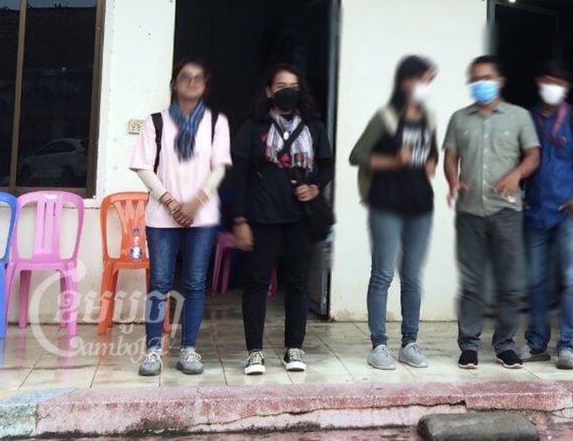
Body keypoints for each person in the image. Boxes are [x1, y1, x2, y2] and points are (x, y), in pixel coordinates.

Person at [231, 64, 334, 375]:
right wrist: (239, 219)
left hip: (299, 219)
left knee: (298, 283)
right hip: (262, 217)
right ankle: (255, 352)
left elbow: (327, 165)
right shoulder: (253, 126)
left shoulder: (314, 126)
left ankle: (294, 348)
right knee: (257, 284)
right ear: (268, 91)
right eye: (281, 85)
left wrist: (315, 186)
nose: (288, 90)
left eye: (293, 85)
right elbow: (238, 175)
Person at [130, 58, 231, 377]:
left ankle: (188, 348)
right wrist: (172, 203)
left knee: (195, 283)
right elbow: (144, 167)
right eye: (184, 77)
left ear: (205, 84)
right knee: (159, 283)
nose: (191, 82)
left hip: (202, 218)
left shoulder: (216, 123)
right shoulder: (155, 122)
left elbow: (219, 168)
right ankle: (153, 351)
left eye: (197, 78)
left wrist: (195, 203)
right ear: (174, 82)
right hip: (162, 216)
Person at [444, 55, 540, 370]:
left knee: (508, 284)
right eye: (475, 78)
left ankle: (505, 345)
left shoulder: (519, 117)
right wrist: (453, 180)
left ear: (499, 81)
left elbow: (533, 155)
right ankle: (469, 346)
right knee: (472, 283)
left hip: (506, 211)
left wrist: (516, 176)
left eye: (486, 77)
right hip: (470, 211)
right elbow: (451, 155)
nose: (480, 83)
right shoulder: (459, 118)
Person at [350, 56, 439, 370]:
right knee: (384, 274)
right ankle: (379, 345)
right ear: (406, 81)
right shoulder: (385, 117)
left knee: (413, 277)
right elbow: (357, 155)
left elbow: (432, 157)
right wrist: (391, 161)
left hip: (420, 208)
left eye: (430, 81)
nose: (427, 87)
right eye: (423, 80)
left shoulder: (427, 117)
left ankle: (410, 343)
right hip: (386, 205)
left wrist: (431, 165)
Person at [520, 59, 573, 370]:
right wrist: (519, 197)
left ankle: (567, 345)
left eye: (559, 82)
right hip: (534, 210)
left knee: (569, 279)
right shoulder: (527, 118)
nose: (552, 87)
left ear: (566, 88)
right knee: (536, 281)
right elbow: (517, 157)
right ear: (540, 81)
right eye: (548, 80)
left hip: (570, 211)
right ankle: (537, 342)